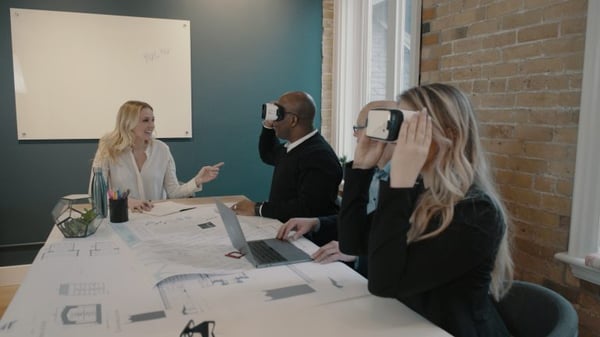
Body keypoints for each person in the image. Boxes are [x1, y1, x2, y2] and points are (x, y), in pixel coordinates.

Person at [338, 83, 513, 337]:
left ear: (450, 135)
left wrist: (399, 184)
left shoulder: (478, 213)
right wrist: (361, 169)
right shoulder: (420, 192)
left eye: (413, 129)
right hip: (410, 323)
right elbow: (352, 244)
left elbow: (383, 283)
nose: (400, 139)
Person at [276, 100, 399, 277]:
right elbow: (362, 224)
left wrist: (357, 251)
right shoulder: (372, 174)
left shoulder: (405, 182)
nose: (356, 136)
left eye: (359, 128)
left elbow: (398, 241)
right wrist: (316, 223)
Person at [231, 91, 342, 246]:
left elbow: (306, 208)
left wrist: (258, 208)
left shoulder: (319, 156)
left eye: (279, 114)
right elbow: (268, 154)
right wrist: (268, 126)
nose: (275, 120)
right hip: (288, 233)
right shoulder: (294, 147)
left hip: (309, 243)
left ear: (293, 120)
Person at [91, 100, 224, 212]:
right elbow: (95, 194)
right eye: (145, 120)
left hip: (156, 218)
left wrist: (197, 180)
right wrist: (126, 202)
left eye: (153, 120)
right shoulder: (107, 149)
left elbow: (173, 192)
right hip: (122, 217)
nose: (152, 125)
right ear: (128, 123)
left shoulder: (162, 149)